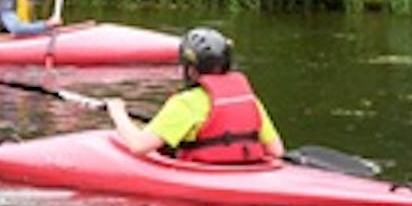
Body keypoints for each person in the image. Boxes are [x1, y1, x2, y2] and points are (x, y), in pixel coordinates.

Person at [107, 26, 284, 162]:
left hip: (206, 175)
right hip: (248, 174)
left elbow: (138, 146)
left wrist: (118, 112)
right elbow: (276, 151)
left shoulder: (185, 103)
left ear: (191, 69)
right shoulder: (248, 99)